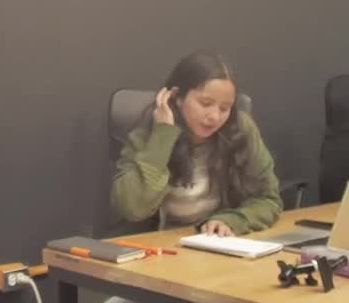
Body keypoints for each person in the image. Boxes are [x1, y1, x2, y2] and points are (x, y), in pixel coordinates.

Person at [110, 50, 283, 237]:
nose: (215, 116)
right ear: (177, 97)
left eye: (224, 108)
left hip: (215, 244)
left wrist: (232, 220)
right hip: (159, 249)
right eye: (205, 103)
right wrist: (162, 137)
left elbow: (269, 199)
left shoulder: (240, 129)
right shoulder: (149, 133)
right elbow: (134, 208)